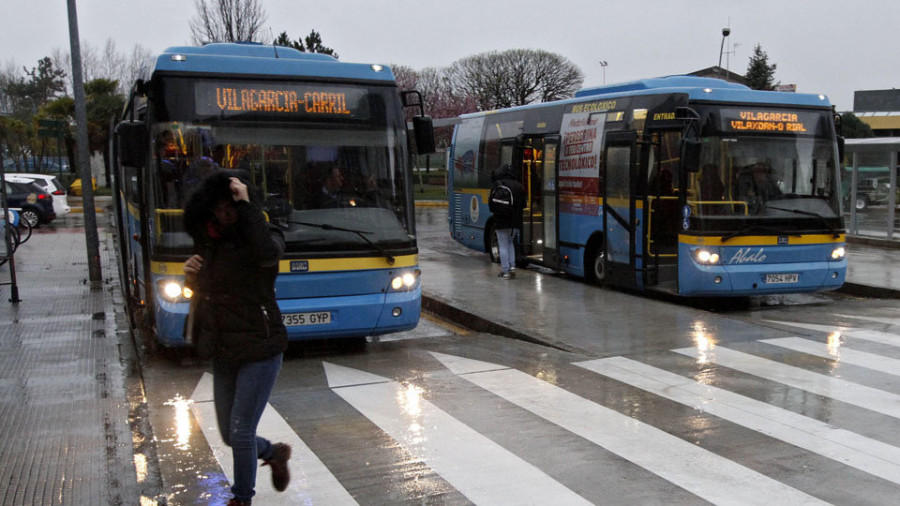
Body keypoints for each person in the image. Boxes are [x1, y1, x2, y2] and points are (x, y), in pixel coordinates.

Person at [182, 172, 292, 506]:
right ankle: (274, 453)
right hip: (224, 349)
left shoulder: (264, 233)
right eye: (219, 207)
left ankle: (241, 499)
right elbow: (210, 295)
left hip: (260, 345)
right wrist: (190, 276)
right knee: (231, 435)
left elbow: (267, 256)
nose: (225, 213)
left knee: (242, 431)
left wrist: (247, 207)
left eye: (231, 206)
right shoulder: (210, 243)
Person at [488, 164, 525, 279]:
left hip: (501, 220)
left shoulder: (498, 185)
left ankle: (505, 271)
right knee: (510, 243)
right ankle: (512, 267)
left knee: (502, 245)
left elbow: (491, 205)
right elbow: (524, 204)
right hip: (515, 222)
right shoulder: (519, 185)